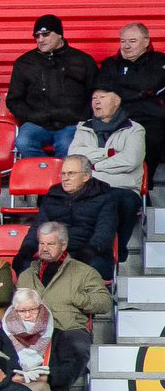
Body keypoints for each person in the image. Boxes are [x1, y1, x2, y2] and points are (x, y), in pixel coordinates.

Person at [15, 220, 114, 362]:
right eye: (42, 243)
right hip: (32, 331)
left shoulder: (83, 272)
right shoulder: (26, 275)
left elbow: (105, 303)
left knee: (77, 348)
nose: (44, 248)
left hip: (69, 330)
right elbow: (15, 307)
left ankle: (53, 383)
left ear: (63, 245)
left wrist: (77, 297)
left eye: (50, 244)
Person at [70, 82, 146, 261]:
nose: (96, 102)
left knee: (125, 202)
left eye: (102, 97)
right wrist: (108, 153)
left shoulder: (134, 129)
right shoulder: (83, 127)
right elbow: (74, 156)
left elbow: (130, 160)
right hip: (90, 186)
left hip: (122, 187)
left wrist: (94, 166)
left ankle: (118, 251)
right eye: (94, 98)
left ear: (117, 100)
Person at [16, 158, 122, 282]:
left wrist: (81, 256)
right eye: (63, 174)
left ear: (86, 176)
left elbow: (104, 234)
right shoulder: (52, 196)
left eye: (71, 174)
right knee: (25, 268)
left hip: (90, 254)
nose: (65, 178)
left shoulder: (105, 197)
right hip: (54, 253)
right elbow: (38, 227)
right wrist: (25, 251)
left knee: (88, 270)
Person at [8, 15, 98, 160]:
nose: (40, 39)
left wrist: (83, 117)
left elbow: (95, 94)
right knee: (23, 142)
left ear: (60, 35)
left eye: (46, 34)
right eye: (37, 36)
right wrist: (31, 116)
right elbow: (13, 100)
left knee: (67, 146)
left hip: (71, 124)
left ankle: (64, 179)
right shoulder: (24, 63)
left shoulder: (83, 60)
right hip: (36, 124)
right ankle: (45, 173)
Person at [98, 23, 165, 181]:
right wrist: (142, 92)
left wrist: (121, 90)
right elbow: (103, 89)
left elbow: (150, 84)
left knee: (151, 141)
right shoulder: (110, 64)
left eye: (132, 41)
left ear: (146, 42)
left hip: (151, 119)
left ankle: (143, 187)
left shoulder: (160, 60)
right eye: (123, 41)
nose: (126, 46)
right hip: (118, 118)